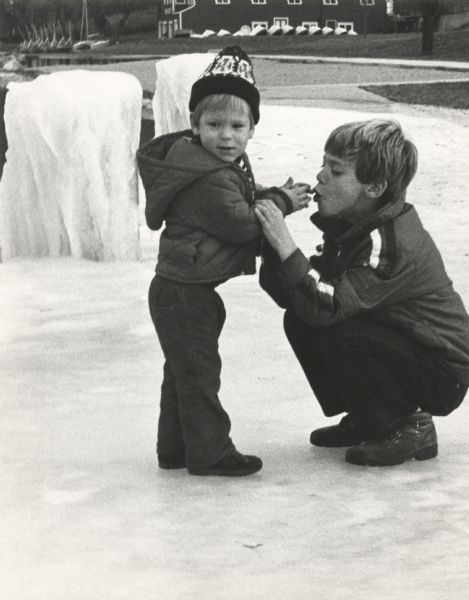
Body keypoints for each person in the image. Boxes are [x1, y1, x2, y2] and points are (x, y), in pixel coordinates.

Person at [255, 119, 469, 467]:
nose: (320, 177)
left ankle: (408, 425)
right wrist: (271, 243)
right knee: (301, 318)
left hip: (441, 371)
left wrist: (285, 244)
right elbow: (299, 298)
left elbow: (328, 307)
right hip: (404, 346)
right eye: (323, 164)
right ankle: (368, 417)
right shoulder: (353, 228)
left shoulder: (388, 242)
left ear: (374, 188)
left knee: (342, 329)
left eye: (337, 170)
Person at [137, 46, 310, 477]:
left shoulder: (210, 166)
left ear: (252, 128)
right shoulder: (206, 175)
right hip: (184, 293)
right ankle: (210, 452)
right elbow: (241, 224)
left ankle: (175, 449)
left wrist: (269, 193)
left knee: (183, 373)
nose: (226, 136)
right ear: (194, 125)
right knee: (198, 374)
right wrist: (282, 201)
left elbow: (241, 199)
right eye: (214, 125)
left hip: (183, 289)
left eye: (238, 125)